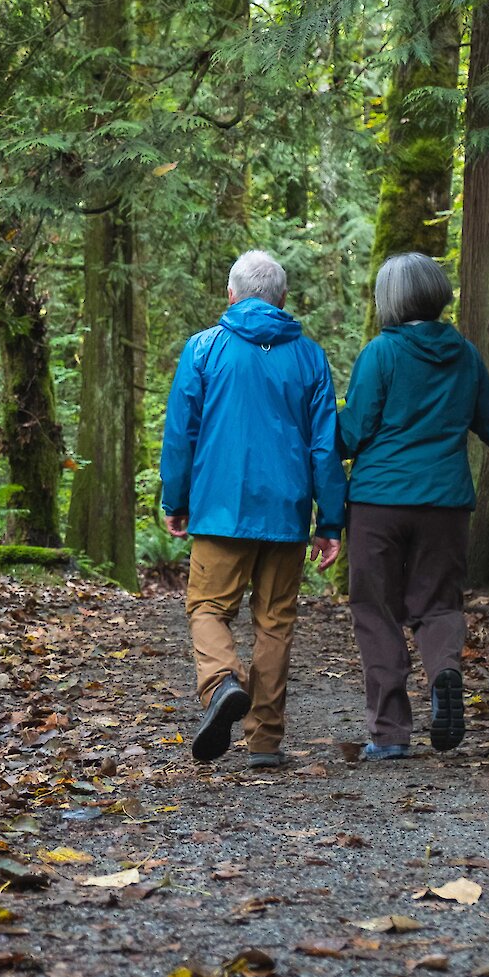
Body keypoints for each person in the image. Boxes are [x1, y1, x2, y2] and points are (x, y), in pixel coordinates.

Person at [336, 252, 489, 762]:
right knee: (438, 605)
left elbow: (352, 433)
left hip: (379, 502)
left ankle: (389, 734)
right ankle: (445, 677)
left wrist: (308, 440)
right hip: (446, 505)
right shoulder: (465, 355)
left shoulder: (381, 354)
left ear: (388, 299)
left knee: (377, 610)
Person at [158, 250, 345, 768]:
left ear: (231, 294)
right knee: (275, 622)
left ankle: (220, 683)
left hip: (220, 509)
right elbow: (324, 447)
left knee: (208, 607)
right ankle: (264, 740)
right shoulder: (309, 356)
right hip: (286, 514)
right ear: (282, 300)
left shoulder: (204, 349)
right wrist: (329, 521)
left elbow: (181, 435)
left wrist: (175, 499)